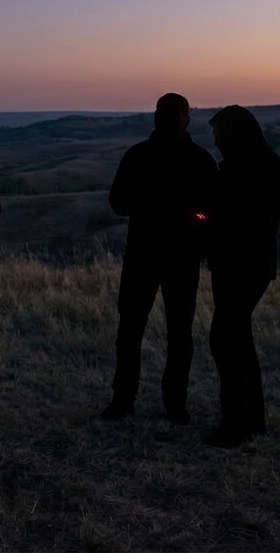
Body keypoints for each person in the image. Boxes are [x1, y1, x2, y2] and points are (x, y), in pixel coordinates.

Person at [101, 93, 217, 424]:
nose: (167, 119)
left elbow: (119, 203)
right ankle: (169, 404)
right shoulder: (199, 159)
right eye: (168, 114)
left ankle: (129, 401)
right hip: (173, 257)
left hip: (149, 254)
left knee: (139, 330)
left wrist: (152, 209)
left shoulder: (140, 156)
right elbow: (212, 213)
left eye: (170, 114)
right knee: (169, 332)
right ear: (187, 118)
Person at [204, 105, 280, 448]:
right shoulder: (261, 164)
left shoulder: (245, 169)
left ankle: (236, 425)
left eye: (219, 134)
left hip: (241, 265)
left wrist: (203, 220)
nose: (216, 142)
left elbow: (233, 218)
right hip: (249, 264)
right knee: (239, 341)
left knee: (226, 340)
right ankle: (252, 420)